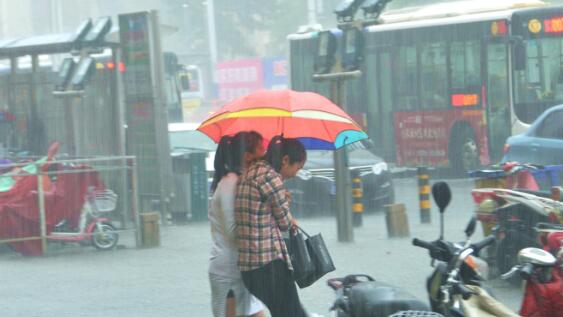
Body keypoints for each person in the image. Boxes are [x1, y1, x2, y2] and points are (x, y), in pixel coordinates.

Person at [235, 135, 308, 317]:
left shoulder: (250, 172)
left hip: (248, 269)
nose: (297, 172)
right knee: (293, 313)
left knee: (284, 312)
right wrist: (285, 204)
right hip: (267, 265)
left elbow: (260, 213)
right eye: (297, 167)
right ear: (285, 160)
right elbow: (285, 223)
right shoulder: (271, 177)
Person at [208, 131, 267, 317]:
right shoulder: (230, 183)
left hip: (244, 269)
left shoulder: (242, 182)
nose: (264, 152)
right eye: (260, 148)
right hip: (228, 271)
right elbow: (232, 231)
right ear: (247, 155)